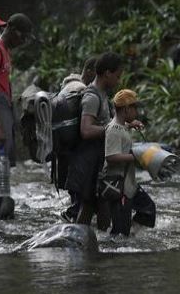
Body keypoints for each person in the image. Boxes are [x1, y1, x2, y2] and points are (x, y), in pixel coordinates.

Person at [0, 13, 34, 230]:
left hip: (3, 110)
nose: (22, 41)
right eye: (22, 36)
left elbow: (3, 87)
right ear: (10, 28)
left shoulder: (5, 52)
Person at [67, 52, 131, 226]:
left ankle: (102, 247)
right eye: (117, 76)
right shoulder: (92, 97)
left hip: (98, 161)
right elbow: (86, 130)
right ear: (107, 73)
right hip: (88, 163)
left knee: (103, 204)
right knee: (88, 206)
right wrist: (113, 130)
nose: (118, 80)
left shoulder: (103, 95)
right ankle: (80, 243)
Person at [102, 89, 155, 236]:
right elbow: (111, 157)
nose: (137, 112)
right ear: (126, 109)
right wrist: (137, 156)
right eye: (134, 108)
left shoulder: (121, 126)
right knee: (120, 234)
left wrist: (130, 125)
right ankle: (117, 252)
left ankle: (132, 233)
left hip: (129, 185)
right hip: (119, 187)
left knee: (149, 209)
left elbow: (121, 131)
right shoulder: (113, 129)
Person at [56, 56, 97, 223]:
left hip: (66, 152)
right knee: (80, 200)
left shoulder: (69, 88)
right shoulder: (81, 92)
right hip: (76, 155)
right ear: (88, 71)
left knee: (78, 197)